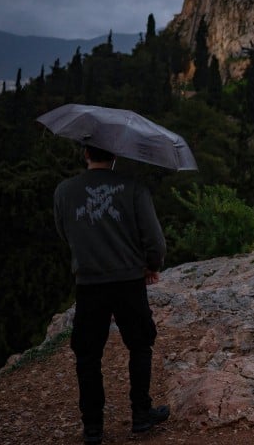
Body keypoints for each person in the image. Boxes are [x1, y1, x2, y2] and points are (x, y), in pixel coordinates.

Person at [54, 145, 170, 444]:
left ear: (85, 153)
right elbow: (155, 239)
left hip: (89, 283)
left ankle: (93, 427)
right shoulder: (133, 187)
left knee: (88, 355)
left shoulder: (65, 191)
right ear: (115, 155)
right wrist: (151, 265)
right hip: (129, 281)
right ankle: (141, 415)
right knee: (141, 344)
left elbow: (64, 232)